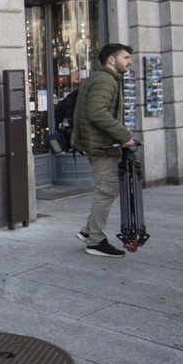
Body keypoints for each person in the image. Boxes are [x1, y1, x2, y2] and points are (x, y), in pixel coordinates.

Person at [70, 43, 136, 257]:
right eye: (126, 57)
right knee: (106, 191)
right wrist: (124, 136)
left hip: (98, 144)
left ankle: (87, 230)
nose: (129, 62)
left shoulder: (102, 78)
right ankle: (96, 241)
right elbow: (96, 112)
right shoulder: (106, 80)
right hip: (102, 146)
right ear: (111, 60)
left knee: (106, 189)